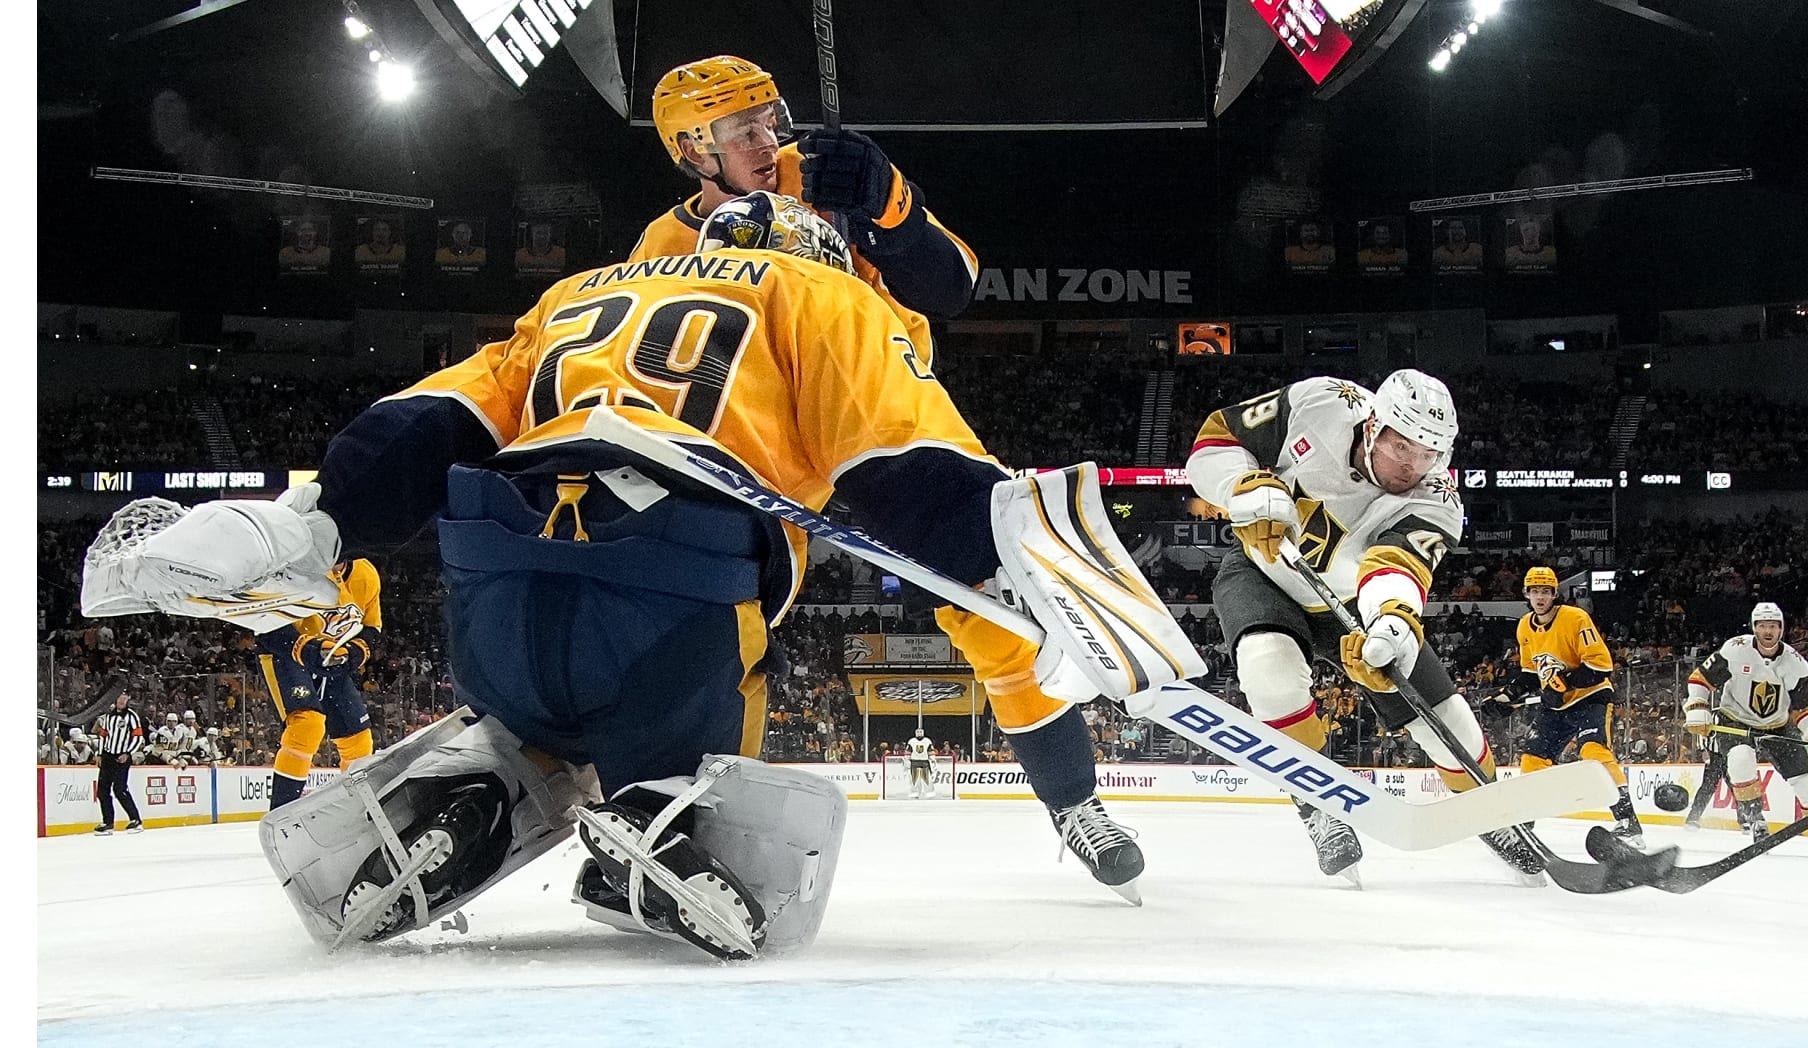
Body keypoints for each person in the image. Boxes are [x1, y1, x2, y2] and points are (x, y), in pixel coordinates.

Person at [82, 192, 1167, 960]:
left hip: (492, 573)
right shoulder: (824, 295)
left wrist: (315, 520)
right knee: (697, 771)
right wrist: (1000, 559)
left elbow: (438, 414)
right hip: (675, 578)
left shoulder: (576, 293)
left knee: (533, 730)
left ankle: (479, 782)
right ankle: (655, 821)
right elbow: (900, 461)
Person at [1185, 370, 1543, 884]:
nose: (1411, 466)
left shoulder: (1438, 498)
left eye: (1428, 453)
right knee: (1267, 668)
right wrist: (1242, 486)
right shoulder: (1321, 401)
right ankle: (1317, 803)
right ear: (1373, 425)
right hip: (1264, 572)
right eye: (1402, 446)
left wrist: (1391, 626)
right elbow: (1217, 438)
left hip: (1358, 602)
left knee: (1448, 720)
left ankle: (1493, 813)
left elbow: (1395, 568)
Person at [635, 55, 977, 363]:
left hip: (890, 388)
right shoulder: (659, 247)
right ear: (695, 152)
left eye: (769, 124)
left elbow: (954, 289)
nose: (769, 143)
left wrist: (892, 213)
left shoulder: (823, 171)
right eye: (746, 133)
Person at [1684, 603, 1808, 858]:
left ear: (1781, 629)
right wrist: (1697, 705)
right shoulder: (1735, 650)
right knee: (1740, 760)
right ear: (1754, 628)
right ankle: (1756, 822)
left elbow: (1806, 706)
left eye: (1773, 626)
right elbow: (1701, 678)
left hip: (1778, 725)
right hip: (1735, 720)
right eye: (1762, 626)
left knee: (1807, 783)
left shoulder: (1795, 663)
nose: (1767, 631)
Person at [1516, 567, 1644, 847]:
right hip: (1556, 706)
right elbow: (1530, 673)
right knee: (1533, 758)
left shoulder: (1575, 618)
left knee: (1593, 751)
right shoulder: (1524, 626)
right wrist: (1507, 696)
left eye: (1545, 591)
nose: (1540, 597)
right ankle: (1524, 826)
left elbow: (1601, 666)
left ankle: (1628, 823)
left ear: (1554, 594)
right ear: (1527, 594)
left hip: (1591, 698)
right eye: (1535, 591)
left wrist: (1563, 684)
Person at [255, 558, 382, 808]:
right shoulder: (292, 566)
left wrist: (355, 653)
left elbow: (372, 629)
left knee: (359, 741)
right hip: (286, 654)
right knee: (307, 725)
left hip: (330, 658)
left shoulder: (366, 573)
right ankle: (281, 812)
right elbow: (265, 626)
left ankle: (357, 812)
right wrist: (307, 649)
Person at [90, 692, 146, 834]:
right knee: (102, 791)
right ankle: (108, 822)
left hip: (122, 757)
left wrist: (128, 753)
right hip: (107, 756)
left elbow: (138, 737)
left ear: (128, 700)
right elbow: (103, 736)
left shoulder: (132, 716)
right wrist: (99, 754)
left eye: (124, 698)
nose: (121, 700)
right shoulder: (109, 716)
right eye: (119, 697)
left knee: (120, 789)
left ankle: (135, 820)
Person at [906, 727, 935, 800]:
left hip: (924, 762)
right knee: (915, 779)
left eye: (920, 732)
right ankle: (914, 793)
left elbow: (931, 751)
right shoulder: (911, 741)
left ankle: (929, 793)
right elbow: (908, 752)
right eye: (918, 732)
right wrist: (907, 760)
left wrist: (932, 759)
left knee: (927, 778)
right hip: (914, 762)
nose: (919, 733)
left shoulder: (927, 741)